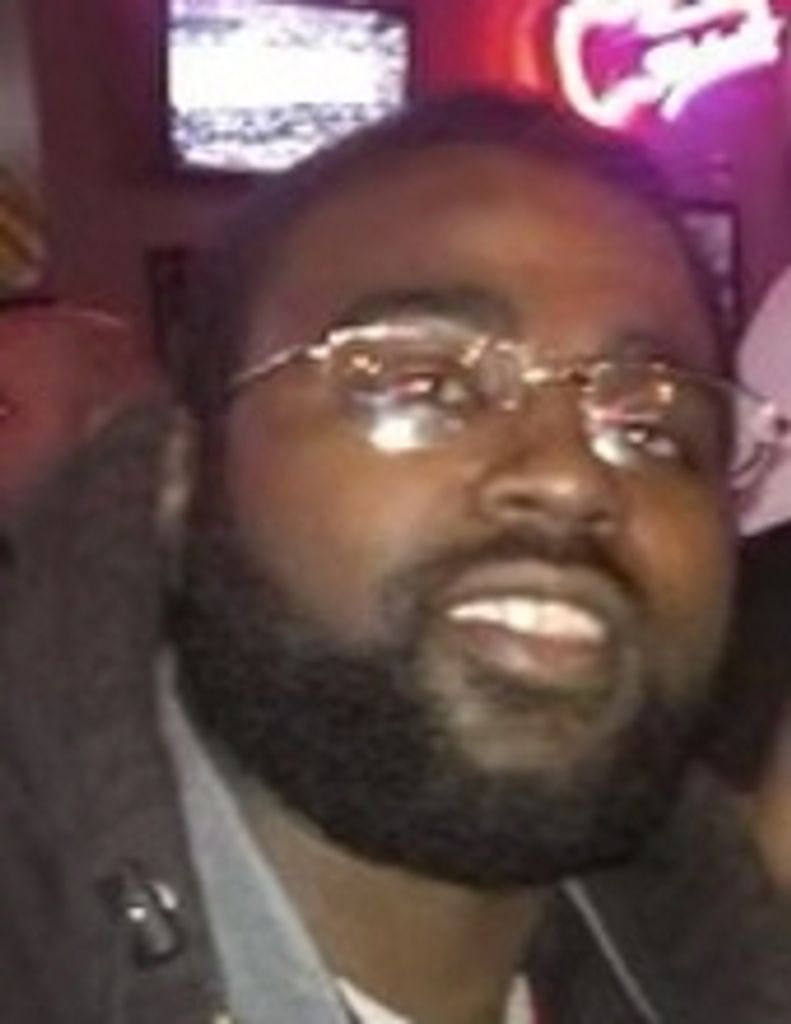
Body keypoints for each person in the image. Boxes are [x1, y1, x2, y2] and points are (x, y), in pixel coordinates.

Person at [2, 88, 791, 1024]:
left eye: (653, 431)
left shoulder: (724, 971)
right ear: (186, 475)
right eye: (421, 384)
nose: (568, 475)